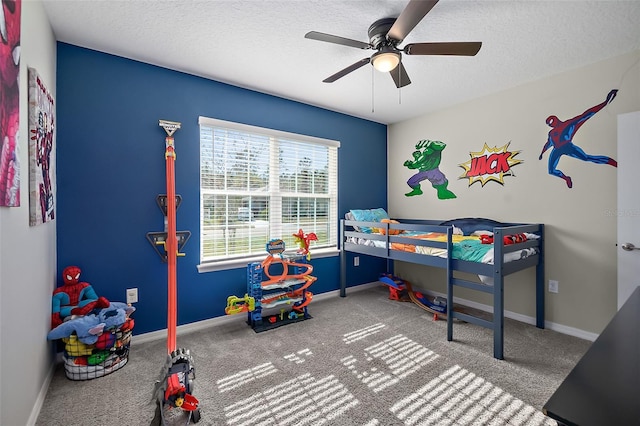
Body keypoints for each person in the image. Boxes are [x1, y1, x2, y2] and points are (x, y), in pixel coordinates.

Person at [539, 89, 618, 188]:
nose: (551, 125)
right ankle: (566, 178)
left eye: (551, 122)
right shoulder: (551, 133)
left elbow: (586, 115)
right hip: (557, 150)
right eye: (549, 124)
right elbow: (548, 143)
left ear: (556, 119)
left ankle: (613, 162)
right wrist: (542, 153)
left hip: (568, 146)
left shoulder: (569, 124)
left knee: (586, 158)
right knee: (551, 171)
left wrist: (605, 103)